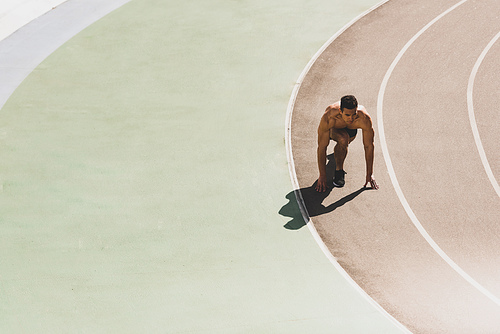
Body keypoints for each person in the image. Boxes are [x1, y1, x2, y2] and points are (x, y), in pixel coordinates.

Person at [315, 95, 379, 192]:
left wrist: (369, 174)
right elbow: (322, 147)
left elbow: (368, 146)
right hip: (333, 130)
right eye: (347, 115)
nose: (351, 118)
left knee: (344, 143)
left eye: (353, 114)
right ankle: (339, 171)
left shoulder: (364, 118)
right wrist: (322, 175)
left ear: (357, 110)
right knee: (343, 139)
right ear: (340, 112)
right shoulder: (330, 116)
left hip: (351, 132)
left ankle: (338, 152)